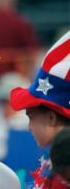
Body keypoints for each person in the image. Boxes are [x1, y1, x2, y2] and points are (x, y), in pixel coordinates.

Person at [10, 30, 70, 188]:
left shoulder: (64, 172)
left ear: (51, 117)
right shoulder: (56, 165)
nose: (29, 127)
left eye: (31, 117)